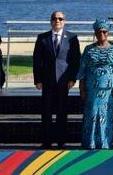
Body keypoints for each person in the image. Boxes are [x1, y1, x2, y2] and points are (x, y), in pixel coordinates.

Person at [32, 10, 80, 148]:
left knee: (62, 111)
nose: (57, 21)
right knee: (46, 111)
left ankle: (61, 141)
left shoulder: (72, 38)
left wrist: (72, 78)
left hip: (64, 80)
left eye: (60, 19)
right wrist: (37, 80)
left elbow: (75, 60)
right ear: (50, 21)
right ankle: (46, 141)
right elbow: (37, 60)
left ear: (64, 21)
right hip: (46, 80)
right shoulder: (42, 38)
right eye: (54, 18)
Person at [76, 19, 113, 149]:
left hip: (108, 89)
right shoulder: (89, 49)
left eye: (104, 31)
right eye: (98, 31)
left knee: (106, 115)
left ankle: (104, 143)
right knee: (91, 114)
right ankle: (90, 142)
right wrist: (81, 88)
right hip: (91, 89)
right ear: (95, 32)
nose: (101, 34)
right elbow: (82, 70)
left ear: (108, 32)